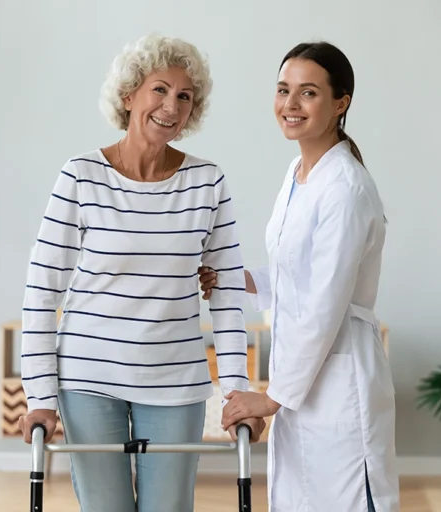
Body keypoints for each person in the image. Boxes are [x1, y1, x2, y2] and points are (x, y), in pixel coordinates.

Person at [16, 33, 265, 512]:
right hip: (88, 378)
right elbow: (41, 290)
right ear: (129, 95)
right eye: (160, 89)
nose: (171, 105)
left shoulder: (208, 182)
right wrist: (40, 396)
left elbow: (228, 297)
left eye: (184, 96)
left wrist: (237, 392)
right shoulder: (80, 176)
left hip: (175, 382)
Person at [199, 41, 400, 512]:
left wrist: (271, 399)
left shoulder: (346, 188)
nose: (290, 105)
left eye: (307, 93)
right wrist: (236, 278)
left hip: (338, 381)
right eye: (283, 90)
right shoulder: (298, 172)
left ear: (340, 102)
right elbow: (297, 274)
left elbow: (325, 304)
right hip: (303, 382)